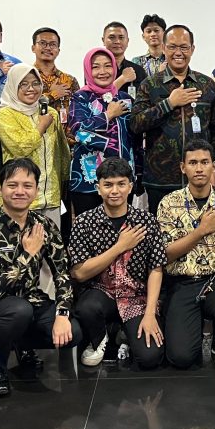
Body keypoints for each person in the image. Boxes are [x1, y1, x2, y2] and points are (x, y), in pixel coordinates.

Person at [0, 159, 82, 396]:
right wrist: (27, 254)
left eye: (27, 185)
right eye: (12, 185)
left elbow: (62, 272)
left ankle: (21, 343)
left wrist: (62, 314)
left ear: (36, 190)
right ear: (0, 189)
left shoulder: (44, 225)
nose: (20, 191)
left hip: (31, 300)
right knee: (19, 311)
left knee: (73, 332)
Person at [69, 158, 168, 369]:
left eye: (121, 184)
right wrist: (120, 246)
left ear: (130, 187)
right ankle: (99, 339)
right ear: (98, 188)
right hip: (100, 293)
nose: (115, 191)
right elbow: (79, 273)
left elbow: (156, 269)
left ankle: (123, 333)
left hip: (136, 297)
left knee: (149, 358)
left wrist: (150, 313)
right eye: (108, 185)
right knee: (87, 308)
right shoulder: (84, 222)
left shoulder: (146, 221)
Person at [158, 140, 215, 366]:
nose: (199, 168)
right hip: (180, 282)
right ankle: (193, 325)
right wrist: (201, 231)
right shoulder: (168, 204)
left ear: (213, 166)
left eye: (204, 162)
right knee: (181, 358)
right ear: (183, 167)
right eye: (192, 163)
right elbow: (166, 254)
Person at [131, 24, 215, 213]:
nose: (178, 52)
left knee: (202, 229)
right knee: (163, 230)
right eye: (172, 47)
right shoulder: (150, 85)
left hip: (200, 179)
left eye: (184, 47)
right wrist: (169, 103)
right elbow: (135, 124)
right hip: (160, 180)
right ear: (164, 48)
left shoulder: (206, 84)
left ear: (192, 49)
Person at [69, 47, 141, 218]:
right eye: (95, 67)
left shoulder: (125, 98)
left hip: (123, 179)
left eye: (108, 66)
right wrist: (108, 115)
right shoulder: (80, 97)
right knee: (88, 228)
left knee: (122, 227)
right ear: (88, 70)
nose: (103, 71)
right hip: (88, 180)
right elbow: (78, 130)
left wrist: (138, 172)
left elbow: (135, 137)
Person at [0, 64, 70, 225]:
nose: (31, 89)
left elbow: (61, 152)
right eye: (24, 84)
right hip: (18, 198)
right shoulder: (5, 115)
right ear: (13, 85)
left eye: (36, 83)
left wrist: (63, 185)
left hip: (51, 197)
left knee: (51, 239)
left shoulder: (51, 113)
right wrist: (41, 126)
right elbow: (20, 149)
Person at [32, 27, 79, 142]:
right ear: (33, 48)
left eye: (53, 44)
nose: (48, 48)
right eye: (43, 43)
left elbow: (78, 112)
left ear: (58, 50)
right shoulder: (25, 77)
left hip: (64, 141)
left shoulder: (69, 80)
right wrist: (52, 95)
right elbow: (23, 106)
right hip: (36, 139)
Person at [104, 21, 148, 97]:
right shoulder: (96, 70)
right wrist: (123, 79)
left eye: (121, 37)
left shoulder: (138, 70)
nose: (117, 41)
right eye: (112, 37)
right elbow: (92, 98)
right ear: (103, 40)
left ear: (127, 41)